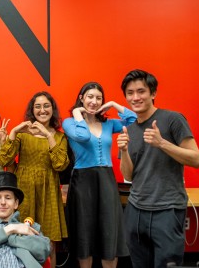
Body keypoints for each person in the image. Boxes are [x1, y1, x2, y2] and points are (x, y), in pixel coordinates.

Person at [117, 69, 199, 268]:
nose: (135, 97)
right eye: (130, 93)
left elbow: (196, 159)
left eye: (141, 91)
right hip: (136, 210)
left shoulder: (173, 119)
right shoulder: (129, 130)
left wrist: (162, 143)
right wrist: (124, 151)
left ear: (153, 93)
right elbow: (128, 175)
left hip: (167, 209)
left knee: (167, 265)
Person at [62, 82, 136, 268]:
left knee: (109, 231)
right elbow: (83, 137)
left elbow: (134, 121)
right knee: (84, 233)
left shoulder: (109, 124)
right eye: (90, 97)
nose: (94, 102)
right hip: (82, 183)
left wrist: (113, 104)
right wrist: (78, 114)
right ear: (81, 98)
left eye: (98, 98)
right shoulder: (70, 123)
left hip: (106, 181)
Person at [0, 91, 69, 268]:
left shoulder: (59, 137)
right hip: (24, 190)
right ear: (32, 110)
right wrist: (14, 131)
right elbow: (4, 160)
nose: (42, 110)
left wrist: (48, 135)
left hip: (49, 192)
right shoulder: (23, 134)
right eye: (38, 106)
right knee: (23, 238)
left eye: (46, 106)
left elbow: (60, 165)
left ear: (53, 109)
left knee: (49, 241)